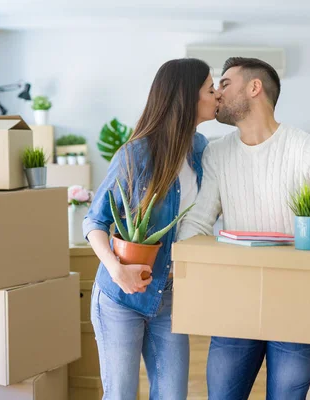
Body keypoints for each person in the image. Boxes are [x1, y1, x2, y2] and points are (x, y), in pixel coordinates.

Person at [177, 57, 310, 400]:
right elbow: (198, 223)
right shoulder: (217, 154)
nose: (216, 94)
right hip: (236, 303)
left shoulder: (305, 150)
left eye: (225, 84)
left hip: (300, 305)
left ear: (254, 88)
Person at [82, 58, 220, 400]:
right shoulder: (137, 153)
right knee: (121, 395)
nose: (217, 95)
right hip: (120, 297)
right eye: (210, 88)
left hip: (169, 296)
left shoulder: (202, 151)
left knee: (173, 395)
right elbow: (95, 221)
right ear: (187, 97)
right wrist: (117, 271)